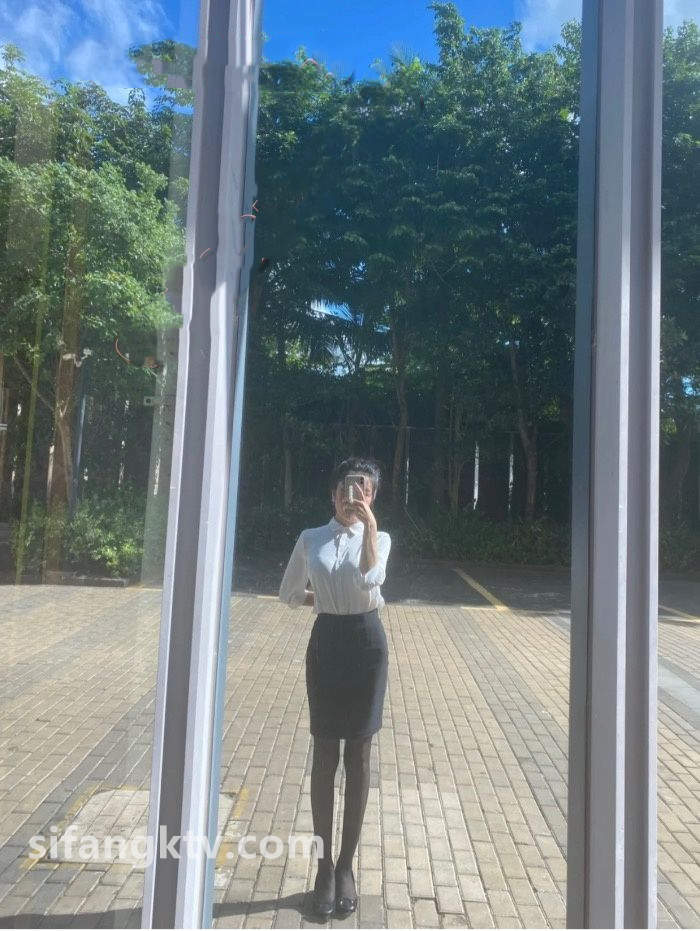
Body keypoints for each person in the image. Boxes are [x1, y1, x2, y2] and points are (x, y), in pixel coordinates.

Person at [278, 456, 392, 917]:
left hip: (367, 644)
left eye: (363, 490)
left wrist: (370, 527)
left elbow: (370, 578)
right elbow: (288, 593)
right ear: (332, 493)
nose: (353, 498)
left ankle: (346, 866)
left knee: (359, 755)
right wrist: (324, 598)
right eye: (347, 489)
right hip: (327, 642)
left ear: (372, 496)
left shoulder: (381, 538)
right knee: (325, 754)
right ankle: (324, 867)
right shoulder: (311, 538)